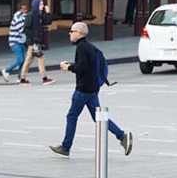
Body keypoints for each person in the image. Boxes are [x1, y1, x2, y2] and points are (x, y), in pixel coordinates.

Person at [49, 22, 133, 159]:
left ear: (80, 33)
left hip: (83, 89)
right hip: (93, 88)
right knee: (98, 117)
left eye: (72, 31)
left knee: (72, 116)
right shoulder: (90, 47)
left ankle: (65, 148)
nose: (70, 33)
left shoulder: (82, 47)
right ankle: (122, 136)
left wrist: (68, 67)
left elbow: (82, 67)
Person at [18, 0, 56, 85]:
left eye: (42, 4)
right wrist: (34, 37)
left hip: (35, 41)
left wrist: (48, 13)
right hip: (32, 42)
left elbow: (47, 21)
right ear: (36, 5)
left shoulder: (39, 15)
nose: (42, 6)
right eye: (40, 4)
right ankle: (44, 78)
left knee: (29, 60)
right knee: (41, 58)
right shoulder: (30, 15)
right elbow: (26, 29)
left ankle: (22, 79)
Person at [1, 2, 28, 83]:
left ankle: (20, 77)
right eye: (24, 9)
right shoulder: (18, 18)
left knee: (23, 60)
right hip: (15, 41)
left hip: (21, 41)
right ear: (20, 9)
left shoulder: (23, 17)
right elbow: (22, 30)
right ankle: (6, 70)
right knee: (20, 59)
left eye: (26, 9)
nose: (26, 10)